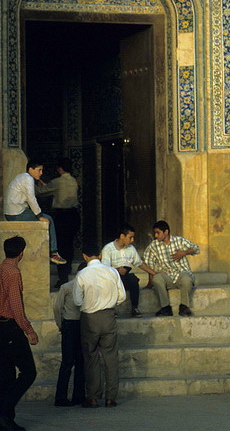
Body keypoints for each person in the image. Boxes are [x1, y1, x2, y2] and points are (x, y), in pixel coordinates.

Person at [73, 242, 126, 408]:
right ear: (100, 255)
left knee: (91, 357)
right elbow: (122, 296)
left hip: (89, 318)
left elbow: (77, 300)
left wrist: (87, 305)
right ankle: (111, 397)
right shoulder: (112, 271)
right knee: (110, 357)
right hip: (109, 316)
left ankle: (93, 397)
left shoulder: (82, 275)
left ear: (84, 256)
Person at [0, 236, 39, 431]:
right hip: (9, 327)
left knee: (6, 375)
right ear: (21, 253)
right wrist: (29, 331)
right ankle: (3, 411)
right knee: (28, 372)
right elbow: (16, 305)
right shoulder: (12, 271)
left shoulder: (1, 268)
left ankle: (6, 420)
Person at [4, 161, 66, 266]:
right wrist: (39, 216)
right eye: (39, 170)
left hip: (14, 211)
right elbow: (31, 199)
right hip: (16, 213)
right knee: (49, 219)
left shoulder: (23, 177)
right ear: (30, 169)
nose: (41, 173)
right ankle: (53, 252)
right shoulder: (28, 178)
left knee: (45, 217)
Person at [36, 158, 79, 287]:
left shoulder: (57, 182)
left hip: (63, 217)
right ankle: (68, 271)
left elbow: (40, 192)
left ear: (60, 169)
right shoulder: (74, 181)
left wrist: (34, 183)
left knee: (61, 248)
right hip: (74, 215)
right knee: (69, 246)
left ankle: (63, 278)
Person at [143, 220, 200, 316]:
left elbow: (196, 248)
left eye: (158, 233)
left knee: (186, 278)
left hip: (181, 274)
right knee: (157, 278)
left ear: (166, 232)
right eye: (155, 233)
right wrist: (150, 282)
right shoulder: (153, 246)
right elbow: (149, 264)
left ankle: (184, 307)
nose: (156, 235)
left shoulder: (179, 241)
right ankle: (165, 308)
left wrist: (184, 252)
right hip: (166, 276)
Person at [101, 224, 156, 317]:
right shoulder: (108, 249)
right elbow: (105, 268)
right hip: (114, 276)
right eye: (130, 237)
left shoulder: (131, 248)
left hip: (127, 276)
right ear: (122, 236)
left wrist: (154, 273)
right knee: (110, 281)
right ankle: (111, 309)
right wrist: (117, 270)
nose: (132, 240)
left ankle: (135, 308)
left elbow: (139, 263)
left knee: (134, 280)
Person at [53, 262, 86, 407]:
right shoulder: (66, 287)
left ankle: (77, 395)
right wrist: (61, 324)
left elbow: (57, 308)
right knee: (70, 361)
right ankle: (62, 397)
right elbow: (57, 307)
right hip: (72, 324)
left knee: (78, 361)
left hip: (77, 325)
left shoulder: (71, 287)